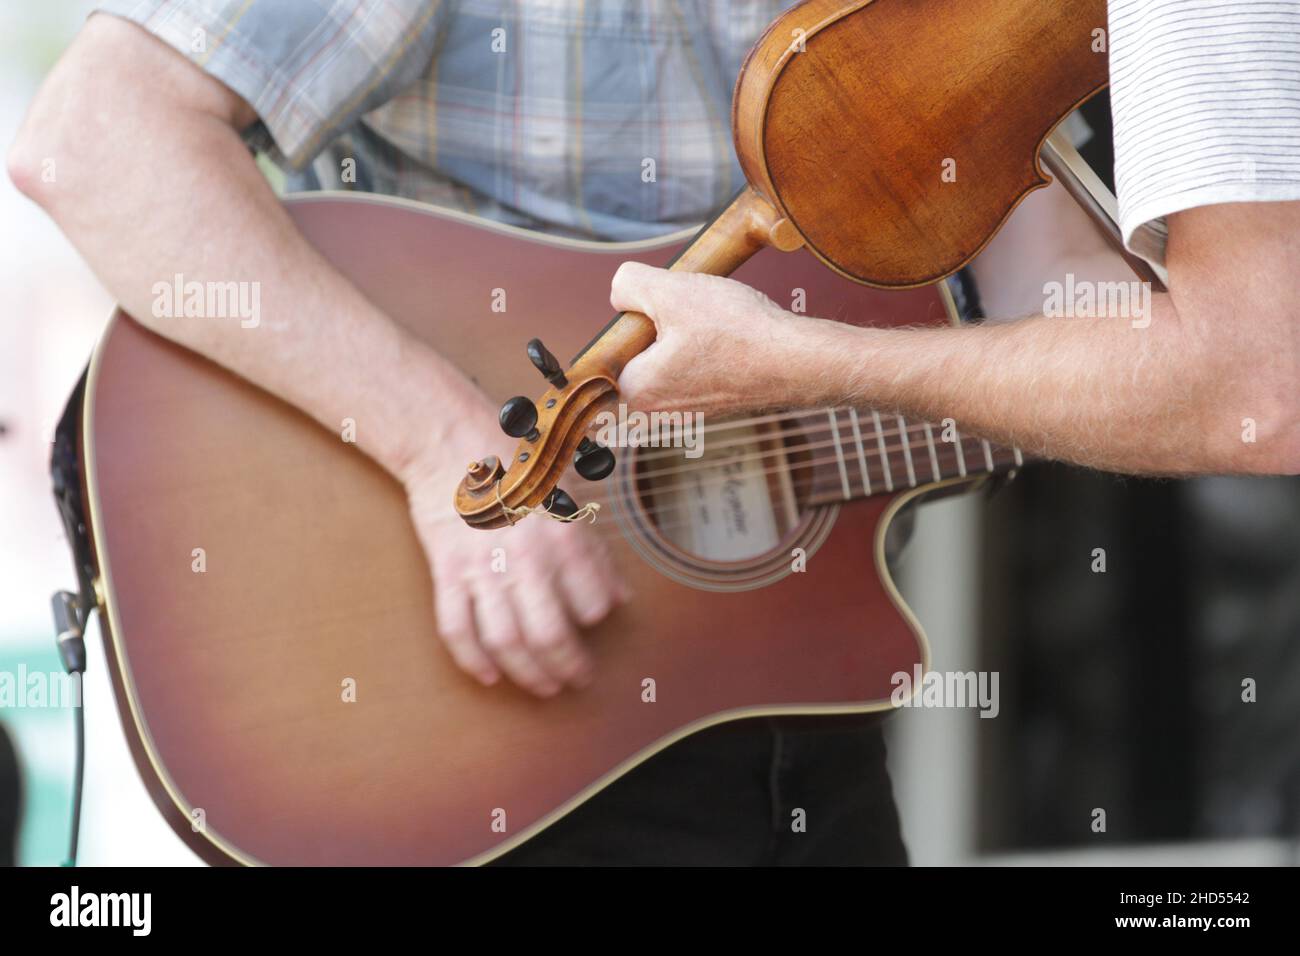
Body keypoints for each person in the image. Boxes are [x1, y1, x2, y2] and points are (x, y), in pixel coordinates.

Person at [8, 0, 906, 866]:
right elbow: (92, 142)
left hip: (802, 708)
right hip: (479, 719)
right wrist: (445, 453)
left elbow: (989, 283)